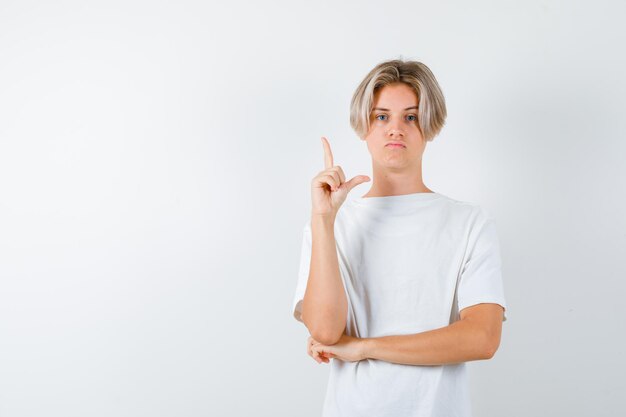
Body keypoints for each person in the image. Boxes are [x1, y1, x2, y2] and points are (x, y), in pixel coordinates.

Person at [291, 58, 508, 417]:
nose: (395, 129)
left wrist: (364, 348)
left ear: (430, 125)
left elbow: (482, 339)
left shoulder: (468, 222)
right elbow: (327, 332)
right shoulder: (330, 225)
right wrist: (323, 220)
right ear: (364, 126)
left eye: (410, 116)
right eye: (381, 116)